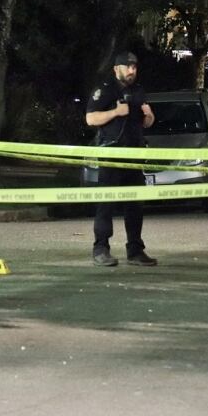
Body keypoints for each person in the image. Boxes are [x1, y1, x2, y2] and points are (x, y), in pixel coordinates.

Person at [85, 51, 157, 267]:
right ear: (117, 69)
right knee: (106, 204)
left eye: (134, 67)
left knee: (135, 205)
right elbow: (90, 118)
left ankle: (135, 251)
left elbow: (147, 123)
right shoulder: (105, 89)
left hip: (134, 155)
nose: (132, 71)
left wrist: (149, 115)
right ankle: (101, 249)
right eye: (128, 67)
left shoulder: (138, 90)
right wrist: (115, 112)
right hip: (112, 155)